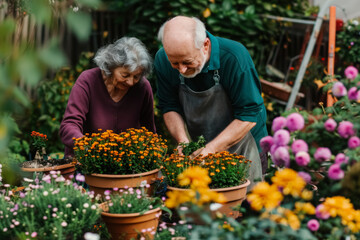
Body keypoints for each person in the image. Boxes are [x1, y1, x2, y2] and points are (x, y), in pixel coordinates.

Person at [154, 16, 268, 189]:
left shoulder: (234, 57)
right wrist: (183, 141)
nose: (182, 69)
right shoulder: (162, 59)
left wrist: (212, 148)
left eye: (187, 62)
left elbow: (249, 114)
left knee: (244, 208)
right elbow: (169, 106)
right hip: (202, 149)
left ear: (205, 45)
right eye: (174, 63)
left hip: (246, 149)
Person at [60, 37, 156, 157]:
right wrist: (87, 147)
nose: (131, 82)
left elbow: (149, 133)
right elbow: (69, 125)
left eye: (136, 76)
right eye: (125, 75)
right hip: (85, 162)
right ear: (111, 67)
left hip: (125, 164)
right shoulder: (88, 81)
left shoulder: (143, 87)